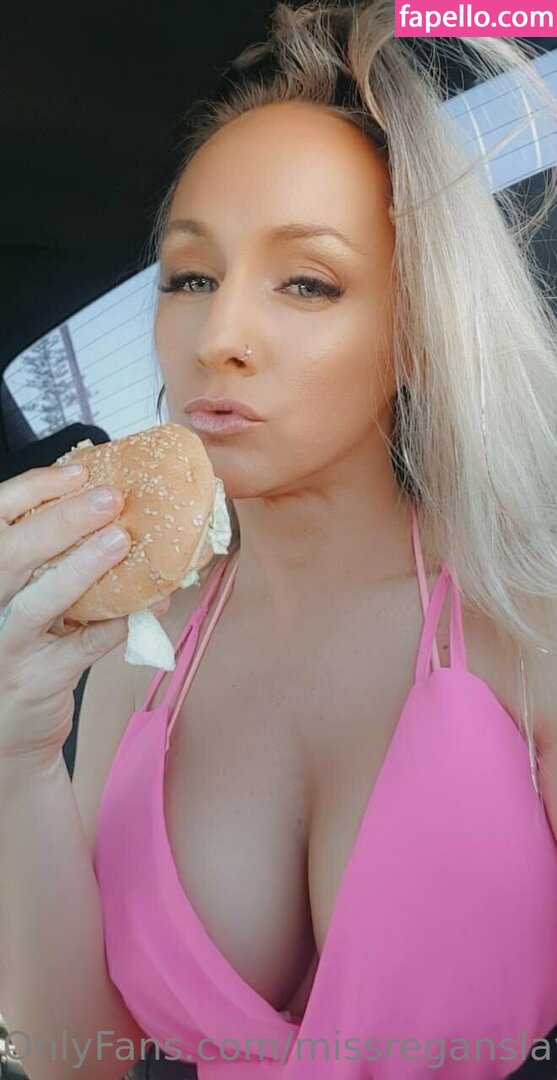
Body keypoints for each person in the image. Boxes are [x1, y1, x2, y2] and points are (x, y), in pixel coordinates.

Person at [3, 2, 557, 1078]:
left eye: (307, 282)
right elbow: (81, 1057)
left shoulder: (525, 625)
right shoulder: (138, 651)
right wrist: (18, 761)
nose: (219, 339)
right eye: (190, 278)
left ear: (415, 328)